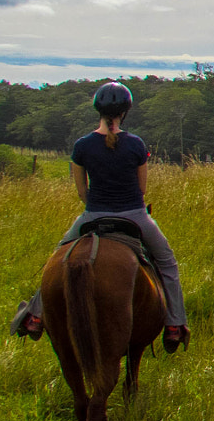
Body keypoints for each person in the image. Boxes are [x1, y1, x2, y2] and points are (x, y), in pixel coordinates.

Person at [11, 82, 189, 351]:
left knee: (56, 260)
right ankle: (175, 323)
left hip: (92, 215)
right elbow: (142, 189)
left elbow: (82, 192)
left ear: (98, 110)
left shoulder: (82, 146)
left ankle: (35, 316)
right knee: (167, 261)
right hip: (135, 216)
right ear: (124, 112)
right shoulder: (136, 145)